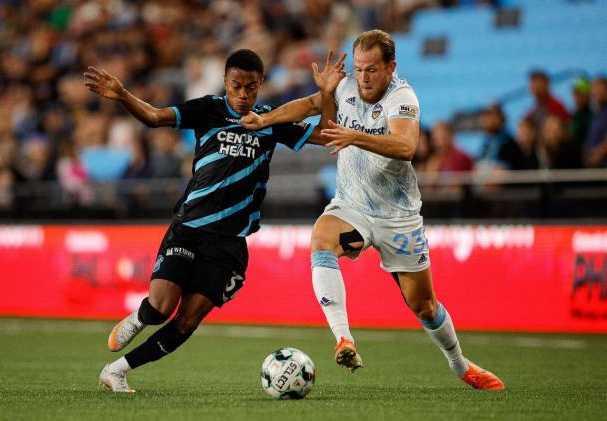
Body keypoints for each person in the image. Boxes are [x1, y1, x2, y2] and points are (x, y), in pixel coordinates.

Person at [241, 29, 504, 390]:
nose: (363, 77)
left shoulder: (403, 96)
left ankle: (460, 365)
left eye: (372, 70)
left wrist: (354, 136)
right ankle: (344, 339)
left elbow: (406, 145)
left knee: (424, 305)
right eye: (360, 68)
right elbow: (309, 105)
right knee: (321, 238)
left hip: (399, 218)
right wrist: (264, 119)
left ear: (391, 67)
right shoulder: (346, 86)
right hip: (352, 208)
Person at [83, 48, 344, 393]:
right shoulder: (207, 109)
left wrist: (326, 94)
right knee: (161, 308)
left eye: (251, 87)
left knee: (187, 322)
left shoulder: (271, 119)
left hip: (229, 242)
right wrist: (123, 96)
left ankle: (116, 371)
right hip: (188, 228)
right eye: (236, 86)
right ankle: (140, 317)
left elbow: (327, 133)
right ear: (225, 82)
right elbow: (155, 117)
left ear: (260, 84)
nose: (243, 94)